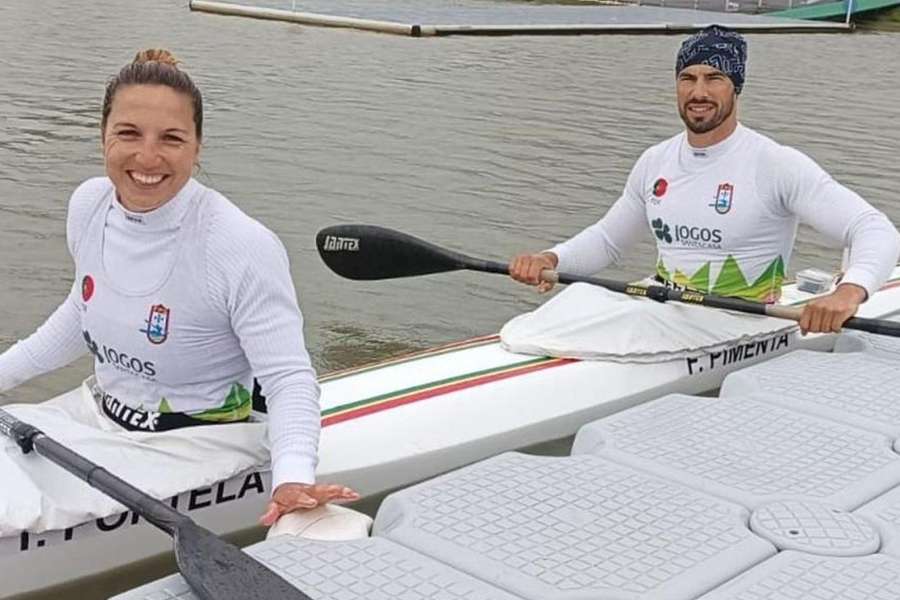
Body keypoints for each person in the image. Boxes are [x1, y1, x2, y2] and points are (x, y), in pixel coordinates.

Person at [0, 49, 357, 526]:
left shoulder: (239, 244)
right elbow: (81, 314)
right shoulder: (88, 205)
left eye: (171, 138)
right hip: (98, 417)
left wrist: (292, 474)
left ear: (198, 146)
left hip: (193, 447)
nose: (148, 157)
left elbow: (288, 377)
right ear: (102, 134)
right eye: (129, 133)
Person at [509, 25, 900, 335]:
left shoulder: (775, 164)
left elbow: (874, 228)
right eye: (688, 77)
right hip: (664, 306)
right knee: (564, 306)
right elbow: (609, 241)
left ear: (736, 87)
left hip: (740, 320)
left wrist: (850, 292)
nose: (698, 92)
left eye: (714, 78)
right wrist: (552, 258)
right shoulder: (655, 160)